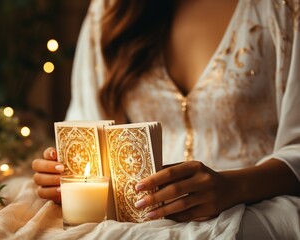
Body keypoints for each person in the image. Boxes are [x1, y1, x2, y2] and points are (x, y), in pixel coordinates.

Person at [32, 0, 300, 238]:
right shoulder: (110, 9)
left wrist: (235, 186)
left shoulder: (283, 9)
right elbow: (87, 124)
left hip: (256, 203)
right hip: (138, 218)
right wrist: (64, 171)